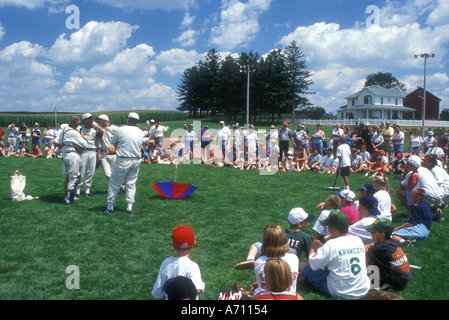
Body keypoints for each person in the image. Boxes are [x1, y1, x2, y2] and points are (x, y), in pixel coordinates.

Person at [300, 210, 371, 300]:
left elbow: (312, 265)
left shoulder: (331, 244)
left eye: (328, 227)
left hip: (339, 291)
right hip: (362, 289)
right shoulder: (358, 240)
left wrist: (313, 247)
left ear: (335, 229)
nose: (328, 229)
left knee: (303, 266)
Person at [234, 208, 314, 270]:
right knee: (303, 264)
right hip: (290, 264)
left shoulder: (281, 233)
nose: (308, 222)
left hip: (272, 260)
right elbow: (310, 256)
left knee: (256, 245)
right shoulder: (305, 237)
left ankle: (250, 259)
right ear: (299, 224)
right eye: (306, 220)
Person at [152, 225, 205, 300]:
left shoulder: (166, 263)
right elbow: (198, 289)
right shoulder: (192, 266)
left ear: (173, 245)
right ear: (193, 243)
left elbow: (158, 291)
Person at [105, 112, 143, 214]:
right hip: (135, 160)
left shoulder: (121, 129)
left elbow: (112, 142)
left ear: (128, 119)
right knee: (131, 184)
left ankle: (110, 206)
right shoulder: (140, 132)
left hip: (123, 159)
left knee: (114, 183)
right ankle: (129, 207)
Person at [252, 225, 299, 297]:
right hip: (289, 296)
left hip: (264, 297)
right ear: (284, 240)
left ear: (265, 242)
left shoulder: (259, 261)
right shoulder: (294, 258)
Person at [364, 218, 411, 291]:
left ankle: (383, 283)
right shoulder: (390, 241)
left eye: (373, 232)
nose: (371, 233)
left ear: (382, 235)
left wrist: (364, 251)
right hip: (403, 277)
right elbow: (375, 244)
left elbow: (365, 262)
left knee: (367, 261)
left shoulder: (376, 250)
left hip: (395, 281)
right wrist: (369, 245)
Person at [406, 155, 445, 221]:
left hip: (429, 199)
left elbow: (404, 184)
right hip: (438, 198)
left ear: (413, 165)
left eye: (408, 164)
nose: (406, 165)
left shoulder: (413, 173)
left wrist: (405, 171)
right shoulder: (425, 170)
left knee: (404, 191)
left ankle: (413, 214)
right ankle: (434, 212)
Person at [61, 117, 89, 205]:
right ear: (76, 124)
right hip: (73, 155)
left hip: (65, 154)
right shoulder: (74, 133)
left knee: (68, 176)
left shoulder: (65, 129)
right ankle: (69, 198)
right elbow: (85, 144)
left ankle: (67, 196)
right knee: (73, 177)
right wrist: (80, 134)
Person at [75, 113, 103, 198]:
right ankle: (78, 190)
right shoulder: (80, 129)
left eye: (92, 119)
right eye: (89, 119)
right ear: (85, 121)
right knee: (81, 171)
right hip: (83, 151)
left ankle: (87, 190)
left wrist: (98, 154)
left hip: (93, 151)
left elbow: (99, 139)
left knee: (91, 171)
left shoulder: (95, 129)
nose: (91, 121)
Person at [97, 114, 118, 182]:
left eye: (100, 120)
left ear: (105, 121)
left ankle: (113, 188)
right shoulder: (99, 127)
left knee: (113, 172)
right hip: (103, 153)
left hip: (112, 150)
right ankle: (120, 185)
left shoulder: (115, 128)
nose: (98, 122)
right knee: (107, 173)